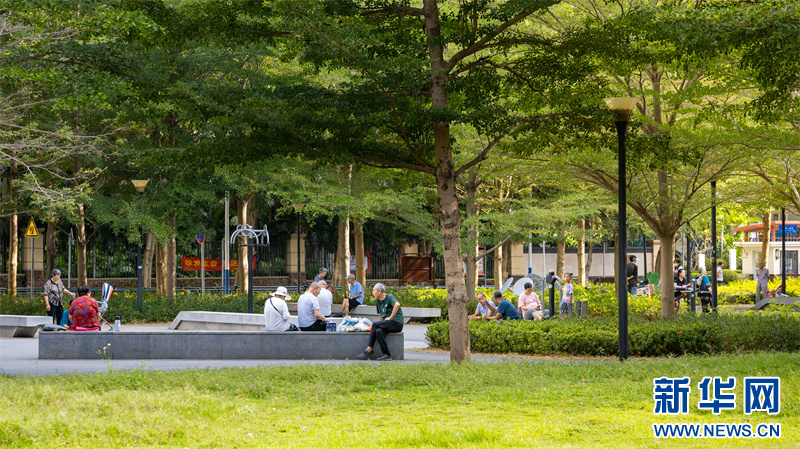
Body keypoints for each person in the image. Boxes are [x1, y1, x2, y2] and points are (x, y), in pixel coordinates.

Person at [357, 283, 403, 361]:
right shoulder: (378, 301)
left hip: (396, 323)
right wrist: (381, 324)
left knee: (375, 325)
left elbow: (397, 305)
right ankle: (387, 355)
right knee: (379, 331)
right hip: (387, 324)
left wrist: (390, 317)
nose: (372, 293)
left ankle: (369, 349)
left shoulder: (389, 297)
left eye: (374, 290)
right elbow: (381, 315)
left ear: (379, 291)